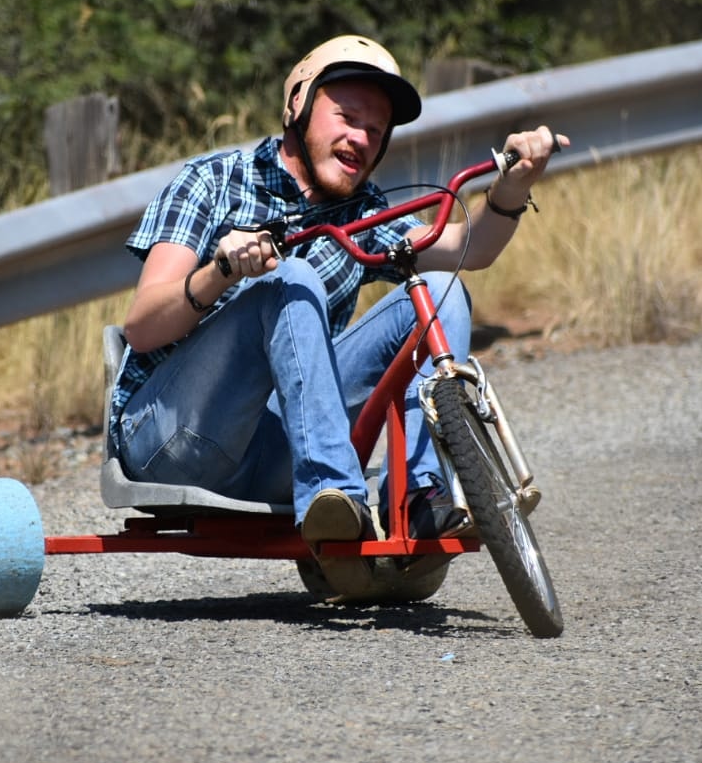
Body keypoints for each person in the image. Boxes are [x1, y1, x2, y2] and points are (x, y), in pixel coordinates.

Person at [109, 34, 567, 597]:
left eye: (376, 131)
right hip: (174, 437)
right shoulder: (211, 182)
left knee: (441, 290)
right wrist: (223, 270)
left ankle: (418, 495)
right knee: (291, 278)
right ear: (297, 106)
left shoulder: (365, 212)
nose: (361, 139)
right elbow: (143, 325)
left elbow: (466, 249)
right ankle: (337, 494)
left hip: (283, 449)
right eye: (347, 117)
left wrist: (511, 187)